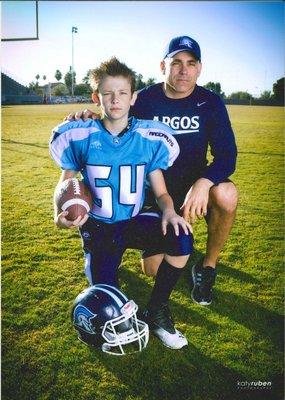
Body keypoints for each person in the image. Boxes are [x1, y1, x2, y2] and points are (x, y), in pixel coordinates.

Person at [68, 36, 238, 306]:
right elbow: (114, 114)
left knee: (227, 193)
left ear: (199, 68)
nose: (184, 70)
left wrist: (204, 183)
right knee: (153, 269)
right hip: (154, 191)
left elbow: (227, 156)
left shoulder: (210, 103)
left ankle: (207, 267)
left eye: (191, 63)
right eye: (176, 63)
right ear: (163, 66)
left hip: (194, 188)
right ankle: (157, 247)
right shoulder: (144, 99)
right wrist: (90, 116)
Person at [50, 57, 193, 350]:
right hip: (99, 228)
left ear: (133, 97)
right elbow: (66, 185)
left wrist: (169, 211)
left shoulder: (147, 137)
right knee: (109, 305)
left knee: (182, 238)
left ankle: (157, 309)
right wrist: (58, 216)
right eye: (108, 93)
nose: (115, 100)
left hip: (134, 220)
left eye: (122, 93)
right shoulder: (81, 134)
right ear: (96, 97)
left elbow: (162, 193)